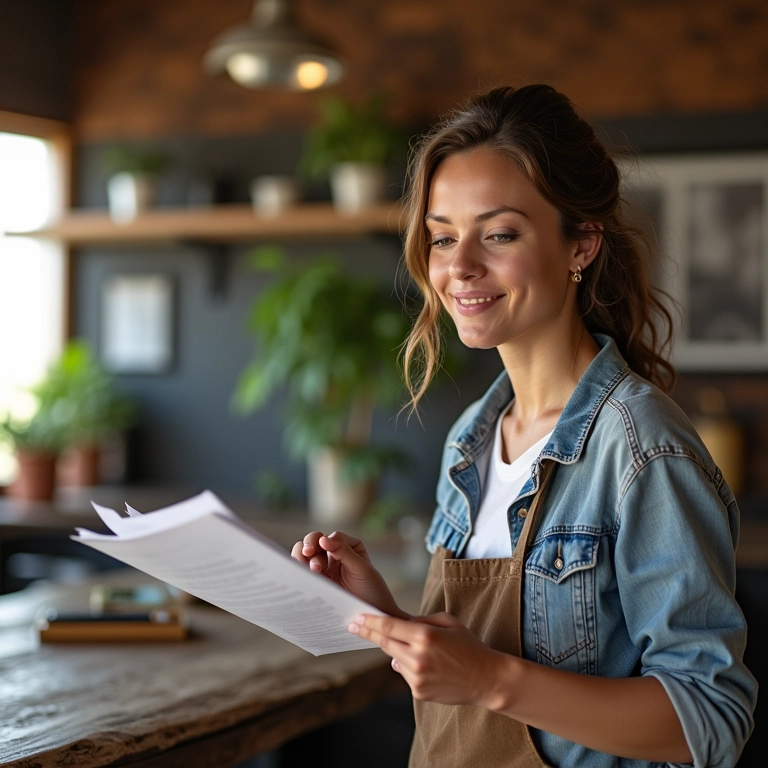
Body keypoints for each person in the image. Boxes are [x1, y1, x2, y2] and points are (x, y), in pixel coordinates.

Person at [291, 84, 757, 767]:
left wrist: (490, 679)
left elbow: (708, 720)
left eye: (499, 234)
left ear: (582, 243)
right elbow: (475, 669)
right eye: (443, 237)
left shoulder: (639, 447)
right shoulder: (472, 440)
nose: (459, 268)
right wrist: (390, 622)